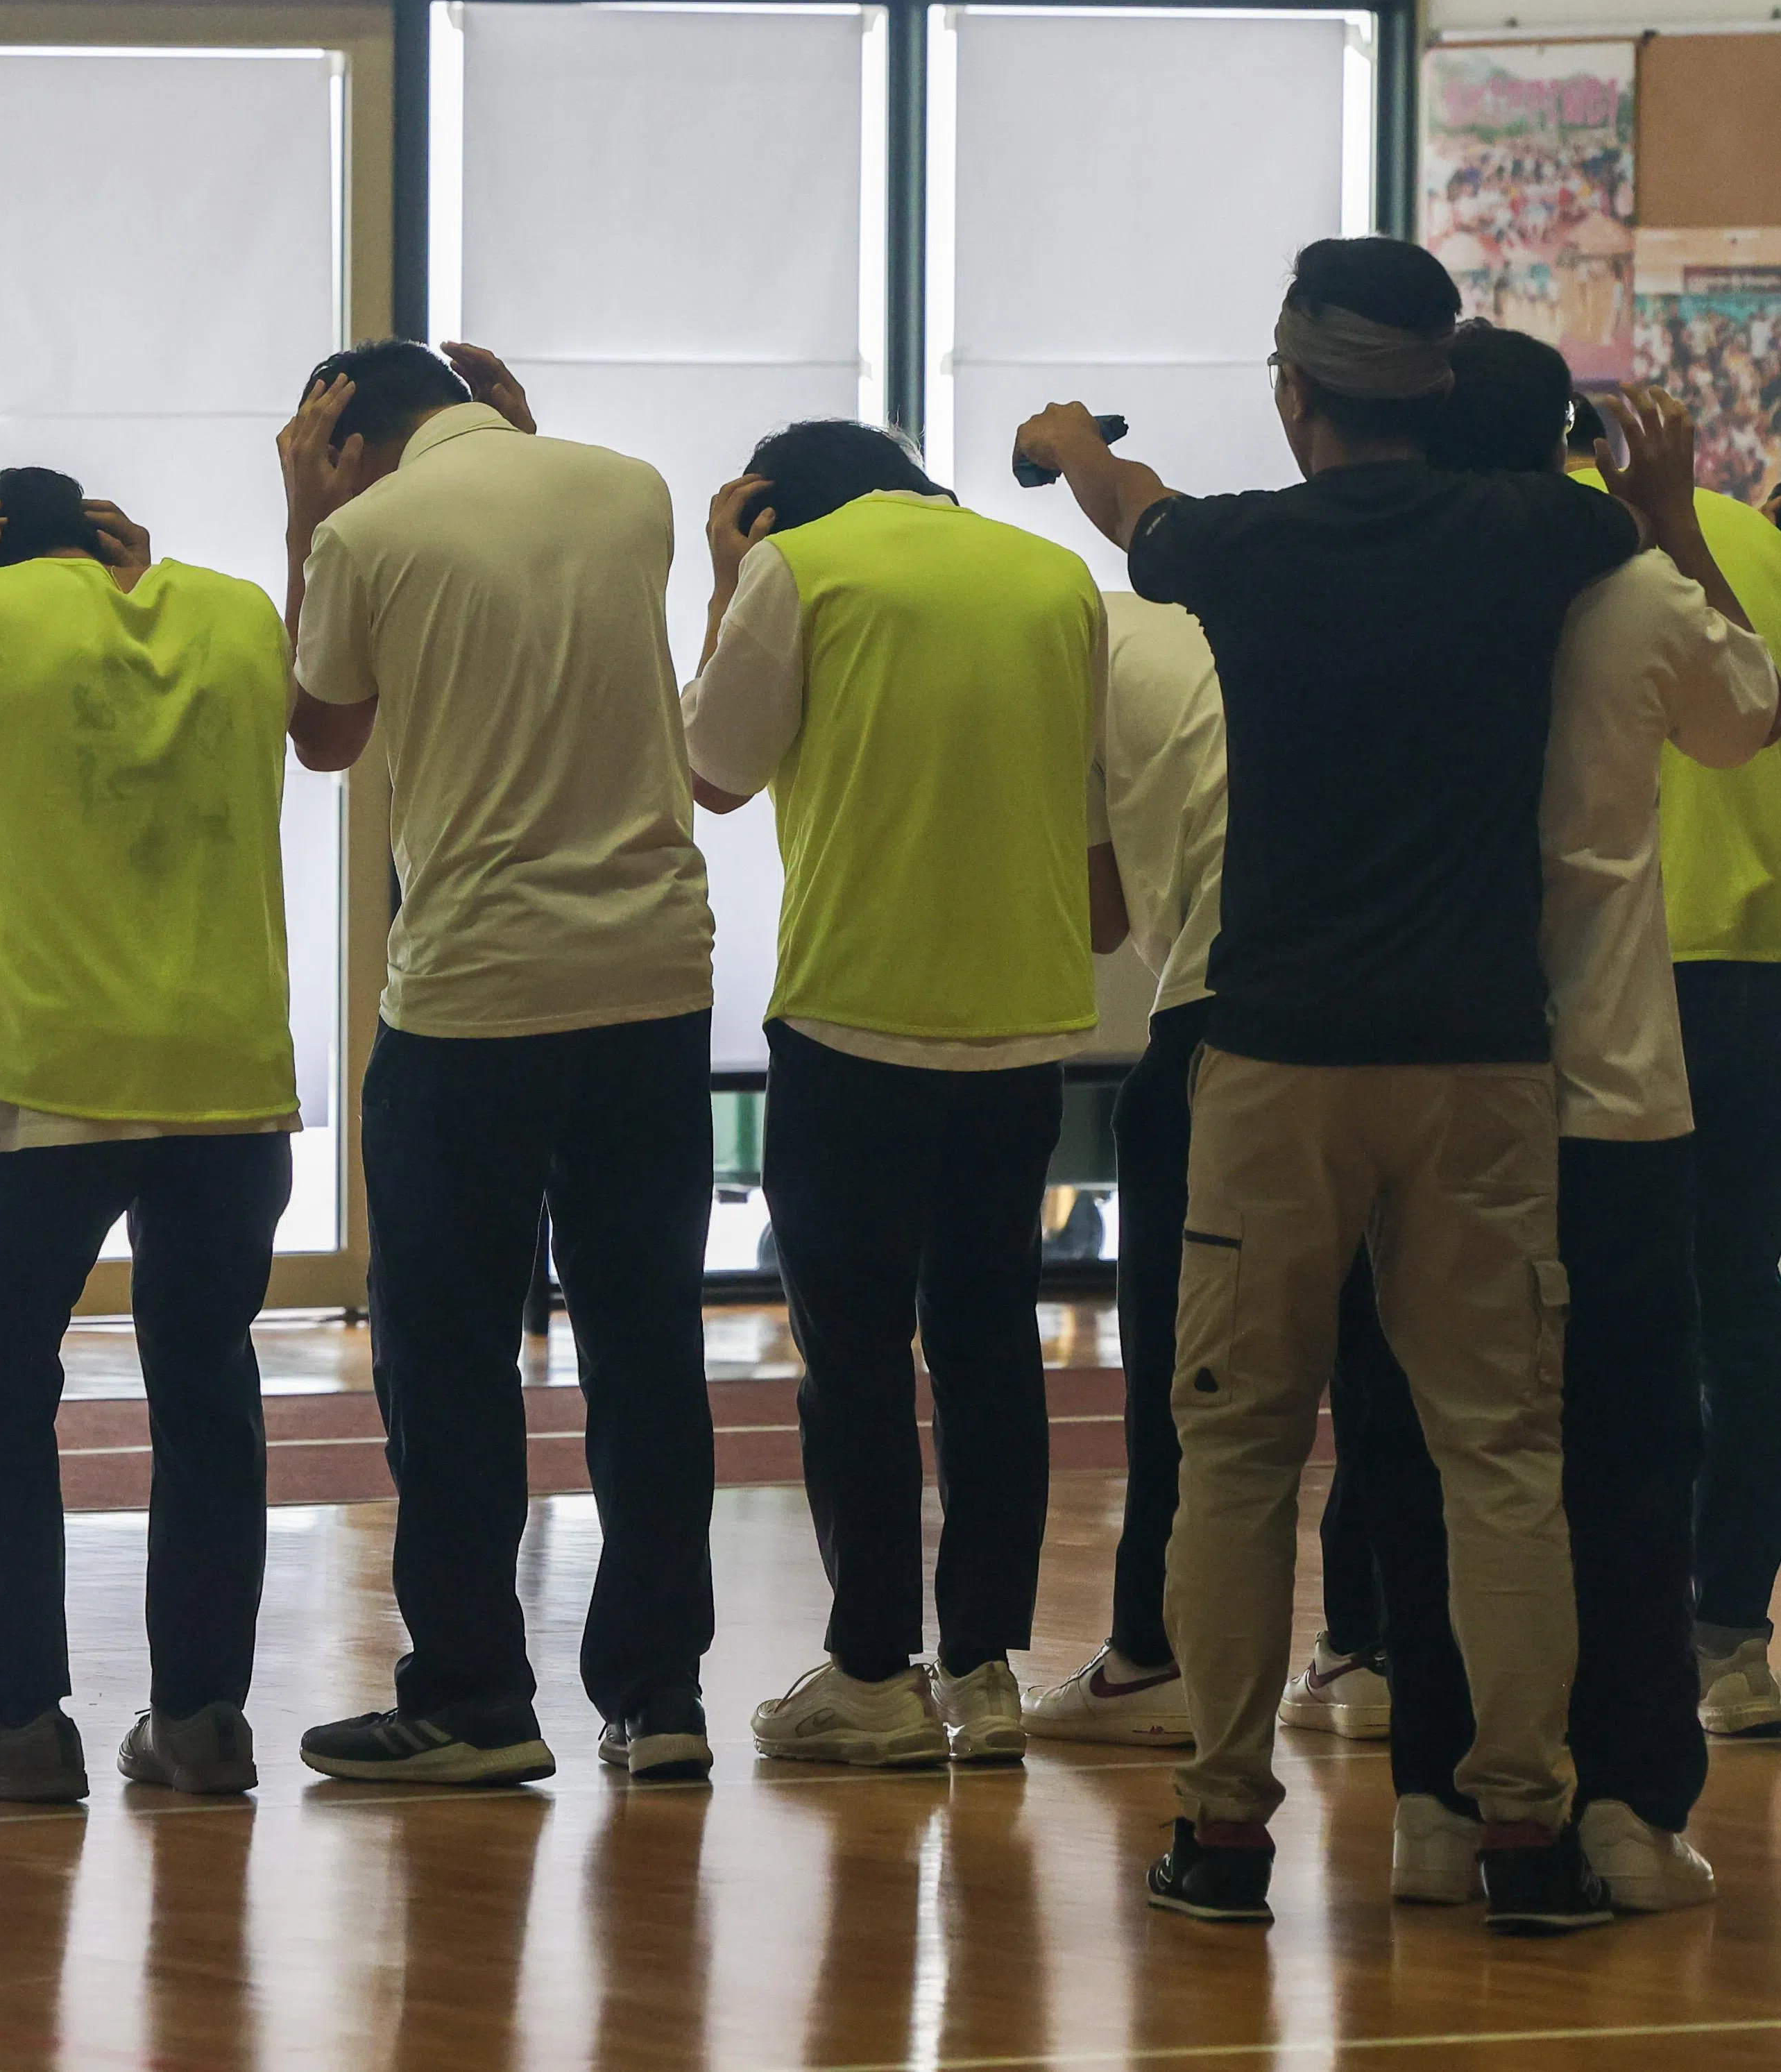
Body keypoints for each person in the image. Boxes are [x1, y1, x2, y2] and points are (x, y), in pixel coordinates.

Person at [1017, 235, 1643, 1933]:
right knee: (1498, 1452)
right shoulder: (1537, 533)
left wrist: (1070, 442)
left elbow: (1129, 504)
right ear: (1433, 390)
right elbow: (1616, 496)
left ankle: (1221, 1830)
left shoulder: (1242, 548)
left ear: (1294, 397)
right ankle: (1523, 1831)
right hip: (1480, 1067)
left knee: (1229, 1453)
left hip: (1273, 1064)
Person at [1331, 343, 1772, 1918]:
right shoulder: (1630, 588)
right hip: (1604, 1093)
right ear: (1576, 448)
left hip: (1418, 1080)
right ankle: (1621, 1811)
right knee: (1623, 1465)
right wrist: (1669, 520)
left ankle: (1440, 1802)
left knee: (1423, 1456)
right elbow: (1745, 718)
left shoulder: (1362, 585)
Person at [275, 339, 719, 1788]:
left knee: (449, 1348)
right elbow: (546, 558)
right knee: (645, 1337)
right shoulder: (630, 489)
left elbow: (324, 732)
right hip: (652, 977)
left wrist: (301, 510)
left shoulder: (359, 530)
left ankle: (471, 1690)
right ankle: (658, 1699)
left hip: (473, 993)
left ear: (343, 431)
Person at [0, 467, 294, 1803]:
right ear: (115, 540)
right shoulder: (239, 612)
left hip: (48, 1080)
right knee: (209, 1386)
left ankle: (24, 1720)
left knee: (8, 1389)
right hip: (228, 1071)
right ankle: (204, 1717)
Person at [679, 420, 1107, 1769]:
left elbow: (710, 767)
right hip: (1019, 1017)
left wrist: (720, 574)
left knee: (854, 1355)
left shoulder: (796, 567)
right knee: (988, 1344)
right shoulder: (1048, 578)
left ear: (771, 502)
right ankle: (983, 1670)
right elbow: (1094, 857)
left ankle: (872, 1667)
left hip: (855, 1010)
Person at [1023, 593, 1395, 1752]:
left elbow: (1096, 913)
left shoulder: (1062, 651)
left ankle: (1155, 1656)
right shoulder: (1297, 625)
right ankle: (1371, 1651)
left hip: (1222, 1014)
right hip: (1391, 1006)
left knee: (1196, 1373)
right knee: (1386, 1359)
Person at [1622, 414, 1781, 1739]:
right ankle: (1732, 1632)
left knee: (1600, 1313)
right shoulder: (1754, 540)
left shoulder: (1551, 551)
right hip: (1763, 962)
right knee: (1746, 1312)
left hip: (1622, 965)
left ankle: (1588, 1627)